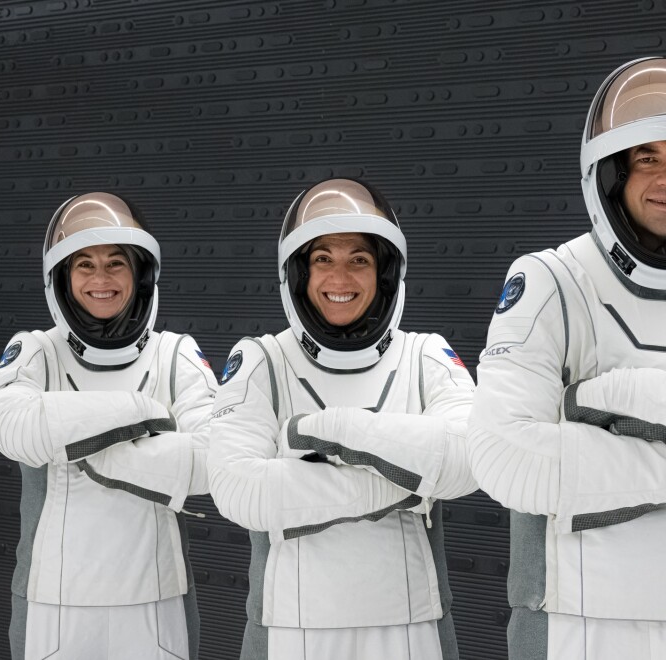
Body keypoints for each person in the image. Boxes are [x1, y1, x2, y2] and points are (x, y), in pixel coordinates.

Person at [208, 178, 476, 660]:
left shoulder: (425, 353)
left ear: (385, 273)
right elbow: (239, 489)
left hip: (411, 627)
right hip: (292, 629)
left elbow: (470, 457)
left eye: (359, 259)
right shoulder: (261, 361)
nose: (340, 277)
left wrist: (329, 436)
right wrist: (407, 482)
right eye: (323, 259)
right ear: (299, 274)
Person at [468, 57, 666, 659]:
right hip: (579, 627)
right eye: (646, 158)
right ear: (609, 172)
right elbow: (503, 453)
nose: (664, 176)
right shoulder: (552, 280)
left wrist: (601, 408)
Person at [0, 192, 217, 660]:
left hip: (157, 602)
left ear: (140, 275)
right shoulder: (36, 350)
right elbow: (12, 428)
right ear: (62, 279)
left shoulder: (175, 354)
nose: (101, 279)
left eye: (116, 264)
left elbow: (213, 460)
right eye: (84, 266)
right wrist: (142, 415)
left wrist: (74, 438)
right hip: (52, 603)